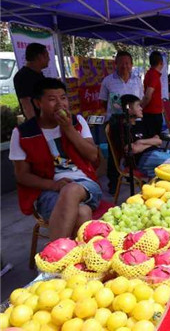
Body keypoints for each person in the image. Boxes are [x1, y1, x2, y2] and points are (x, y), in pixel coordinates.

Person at [9, 78, 101, 240]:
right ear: (38, 103)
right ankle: (70, 261)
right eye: (52, 99)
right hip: (48, 191)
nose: (60, 104)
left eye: (63, 98)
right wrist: (53, 184)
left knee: (71, 189)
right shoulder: (23, 133)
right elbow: (22, 175)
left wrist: (68, 129)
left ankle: (53, 259)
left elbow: (93, 156)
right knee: (82, 213)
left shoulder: (77, 122)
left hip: (85, 185)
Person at [99, 50, 143, 194]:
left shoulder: (137, 80)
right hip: (115, 123)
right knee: (115, 154)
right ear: (115, 64)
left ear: (131, 65)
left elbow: (140, 100)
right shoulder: (108, 81)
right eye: (121, 63)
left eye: (127, 63)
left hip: (133, 123)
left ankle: (132, 175)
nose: (124, 66)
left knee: (133, 150)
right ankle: (113, 182)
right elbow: (102, 102)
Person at [109, 94, 170, 178]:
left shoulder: (142, 124)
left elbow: (159, 141)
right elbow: (133, 149)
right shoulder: (122, 129)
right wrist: (151, 143)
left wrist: (140, 142)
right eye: (138, 106)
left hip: (156, 154)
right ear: (128, 108)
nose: (141, 108)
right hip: (142, 160)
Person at [13, 43, 49, 119]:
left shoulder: (39, 74)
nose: (49, 59)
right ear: (39, 57)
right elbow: (26, 104)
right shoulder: (22, 76)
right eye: (47, 56)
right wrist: (34, 125)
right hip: (38, 121)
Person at [142, 51, 164, 137]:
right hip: (152, 114)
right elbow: (148, 95)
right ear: (161, 63)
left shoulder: (149, 73)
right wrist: (141, 107)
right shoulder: (154, 75)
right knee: (154, 139)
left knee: (151, 138)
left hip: (151, 112)